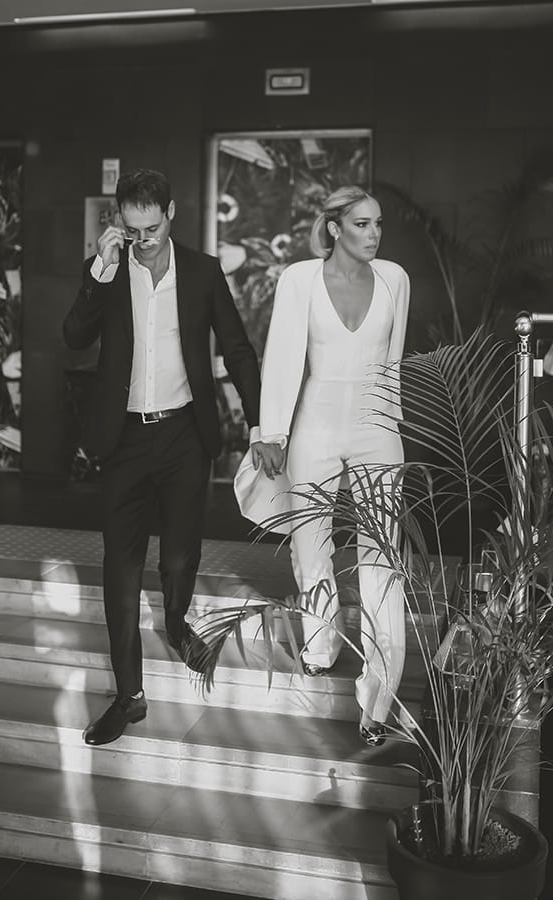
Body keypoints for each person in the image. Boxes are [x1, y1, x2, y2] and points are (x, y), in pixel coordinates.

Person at [63, 169, 277, 746]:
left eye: (152, 228)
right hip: (125, 439)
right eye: (132, 229)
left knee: (180, 558)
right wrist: (101, 271)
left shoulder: (203, 271)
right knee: (120, 569)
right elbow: (74, 336)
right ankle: (128, 696)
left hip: (185, 434)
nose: (143, 240)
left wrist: (260, 426)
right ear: (119, 222)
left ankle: (177, 622)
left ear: (171, 213)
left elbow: (238, 349)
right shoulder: (106, 270)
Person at [236, 186, 410, 746]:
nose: (374, 234)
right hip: (314, 424)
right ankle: (320, 645)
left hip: (377, 426)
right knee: (312, 546)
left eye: (378, 223)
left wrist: (395, 424)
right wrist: (271, 432)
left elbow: (394, 362)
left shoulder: (395, 279)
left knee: (383, 557)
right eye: (362, 224)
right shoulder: (299, 279)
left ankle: (378, 700)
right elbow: (282, 356)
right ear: (335, 228)